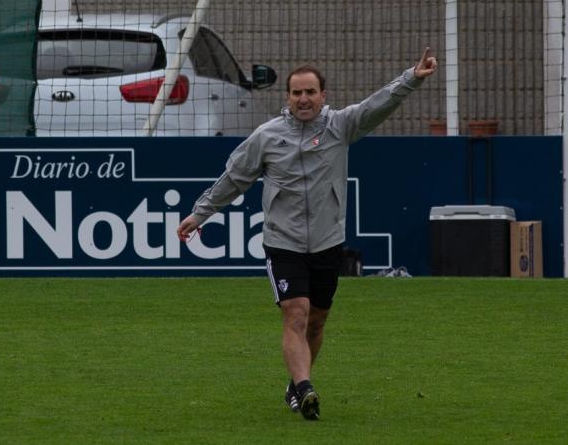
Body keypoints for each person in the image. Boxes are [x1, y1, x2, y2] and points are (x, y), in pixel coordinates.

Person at [176, 48, 438, 420]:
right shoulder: (267, 136)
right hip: (283, 243)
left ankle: (296, 384)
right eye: (297, 93)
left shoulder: (340, 126)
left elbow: (378, 105)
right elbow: (235, 177)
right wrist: (200, 214)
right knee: (295, 313)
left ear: (323, 96)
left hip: (328, 243)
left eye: (310, 92)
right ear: (287, 97)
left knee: (316, 322)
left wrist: (412, 77)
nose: (303, 99)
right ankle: (305, 388)